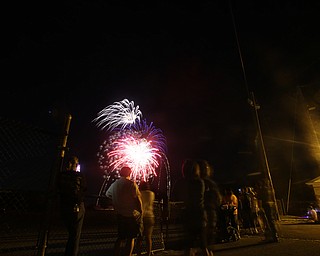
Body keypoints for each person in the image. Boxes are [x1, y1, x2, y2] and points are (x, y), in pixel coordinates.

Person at [106, 166, 143, 256]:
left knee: (120, 237)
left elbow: (108, 194)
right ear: (129, 173)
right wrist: (141, 211)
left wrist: (117, 200)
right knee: (131, 238)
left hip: (119, 214)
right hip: (130, 215)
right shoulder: (131, 184)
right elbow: (137, 198)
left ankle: (116, 254)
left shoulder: (114, 184)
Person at [181, 158, 213, 256]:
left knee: (188, 245)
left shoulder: (185, 183)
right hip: (200, 214)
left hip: (189, 215)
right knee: (203, 245)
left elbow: (184, 199)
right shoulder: (200, 182)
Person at [58, 155, 87, 256]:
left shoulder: (61, 175)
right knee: (75, 236)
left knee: (71, 232)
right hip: (77, 206)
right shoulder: (79, 176)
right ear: (76, 164)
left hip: (64, 205)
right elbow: (84, 189)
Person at [198, 159, 222, 246]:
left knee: (204, 239)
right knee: (207, 239)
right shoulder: (209, 183)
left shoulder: (198, 183)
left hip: (202, 212)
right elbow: (218, 198)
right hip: (209, 211)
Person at [136, 181, 155, 256]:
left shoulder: (139, 194)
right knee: (148, 237)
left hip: (141, 216)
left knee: (139, 237)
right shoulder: (151, 194)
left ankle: (138, 253)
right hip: (150, 216)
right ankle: (148, 253)